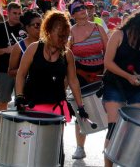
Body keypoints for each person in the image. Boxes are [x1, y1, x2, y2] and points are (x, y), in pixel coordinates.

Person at [15, 10, 88, 166]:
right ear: (48, 31)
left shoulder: (67, 54)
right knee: (32, 150)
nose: (64, 40)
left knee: (54, 150)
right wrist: (19, 97)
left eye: (66, 36)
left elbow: (73, 81)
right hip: (32, 106)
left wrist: (80, 106)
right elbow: (20, 74)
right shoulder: (33, 49)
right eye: (61, 36)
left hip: (56, 107)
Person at [103, 10, 140, 167]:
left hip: (135, 87)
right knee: (114, 128)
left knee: (135, 129)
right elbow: (108, 62)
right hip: (114, 84)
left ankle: (129, 162)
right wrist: (128, 76)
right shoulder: (118, 35)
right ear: (137, 25)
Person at [69, 0, 108, 160]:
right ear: (73, 14)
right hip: (81, 75)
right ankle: (80, 147)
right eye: (78, 8)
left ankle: (111, 148)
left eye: (83, 7)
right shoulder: (70, 32)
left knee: (111, 110)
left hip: (101, 74)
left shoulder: (98, 28)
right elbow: (68, 57)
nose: (82, 10)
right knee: (81, 111)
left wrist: (106, 72)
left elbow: (109, 51)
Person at [0, 2, 23, 120]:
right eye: (14, 13)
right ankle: (1, 129)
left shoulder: (25, 28)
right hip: (4, 71)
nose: (17, 16)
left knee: (22, 102)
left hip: (23, 71)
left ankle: (21, 128)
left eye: (19, 13)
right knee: (3, 101)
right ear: (7, 13)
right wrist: (5, 50)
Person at [8, 10, 42, 77]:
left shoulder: (49, 44)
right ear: (27, 27)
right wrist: (28, 69)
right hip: (26, 86)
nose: (40, 28)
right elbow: (11, 72)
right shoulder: (19, 47)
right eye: (37, 25)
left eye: (43, 25)